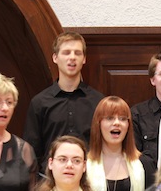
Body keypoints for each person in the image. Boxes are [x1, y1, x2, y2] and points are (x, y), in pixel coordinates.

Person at [23, 32, 104, 163]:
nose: (72, 57)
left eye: (77, 53)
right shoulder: (39, 102)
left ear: (84, 59)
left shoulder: (98, 101)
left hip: (89, 173)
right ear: (55, 58)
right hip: (49, 174)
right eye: (66, 53)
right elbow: (32, 151)